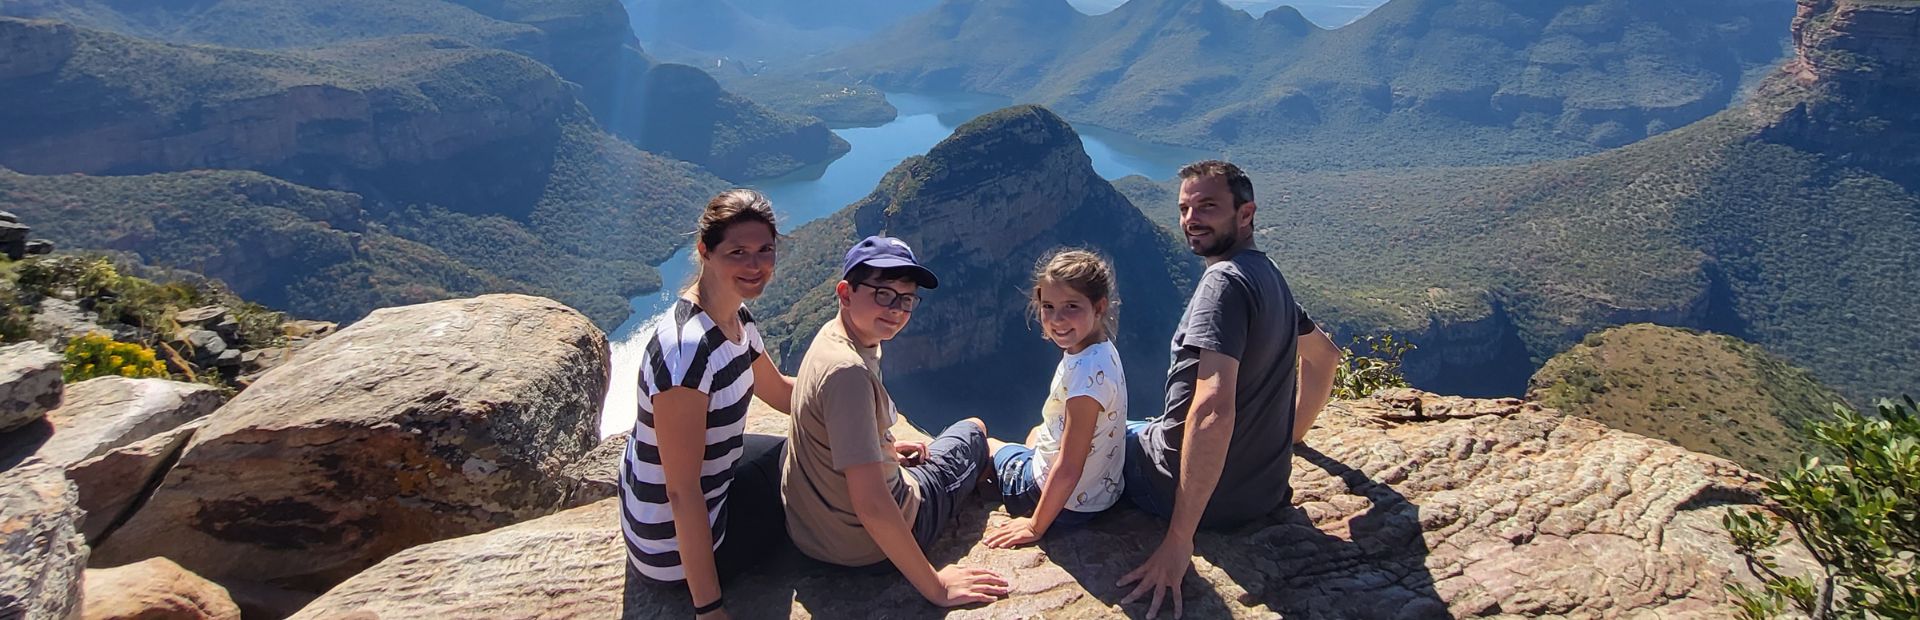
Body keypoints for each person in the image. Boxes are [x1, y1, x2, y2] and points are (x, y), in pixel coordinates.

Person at [1117, 161, 1342, 618]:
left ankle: (997, 457)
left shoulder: (1223, 283)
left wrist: (1180, 540)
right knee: (1135, 425)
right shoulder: (1268, 276)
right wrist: (1288, 439)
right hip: (1265, 491)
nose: (1190, 219)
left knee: (1065, 439)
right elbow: (1326, 357)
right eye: (1184, 208)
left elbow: (1211, 411)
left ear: (1245, 213)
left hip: (1189, 494)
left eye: (1208, 206)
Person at [781, 236, 1011, 608]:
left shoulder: (831, 338)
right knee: (975, 431)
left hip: (815, 534)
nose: (896, 310)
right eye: (883, 294)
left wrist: (878, 446)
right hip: (865, 546)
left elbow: (832, 423)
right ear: (845, 292)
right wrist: (936, 586)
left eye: (906, 300)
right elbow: (872, 504)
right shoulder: (848, 372)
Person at [619, 189, 797, 620]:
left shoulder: (735, 319)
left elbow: (781, 394)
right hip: (669, 554)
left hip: (669, 512)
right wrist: (709, 608)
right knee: (812, 481)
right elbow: (682, 492)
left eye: (764, 250)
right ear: (705, 252)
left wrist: (867, 428)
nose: (755, 266)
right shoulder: (686, 353)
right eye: (737, 252)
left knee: (808, 449)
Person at [982, 249, 1128, 548]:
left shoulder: (1087, 377)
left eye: (1071, 306)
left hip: (1066, 505)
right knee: (1036, 432)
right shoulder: (1100, 349)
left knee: (982, 442)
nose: (1057, 319)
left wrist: (1035, 526)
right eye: (1048, 306)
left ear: (1099, 307)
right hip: (1101, 494)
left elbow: (1070, 466)